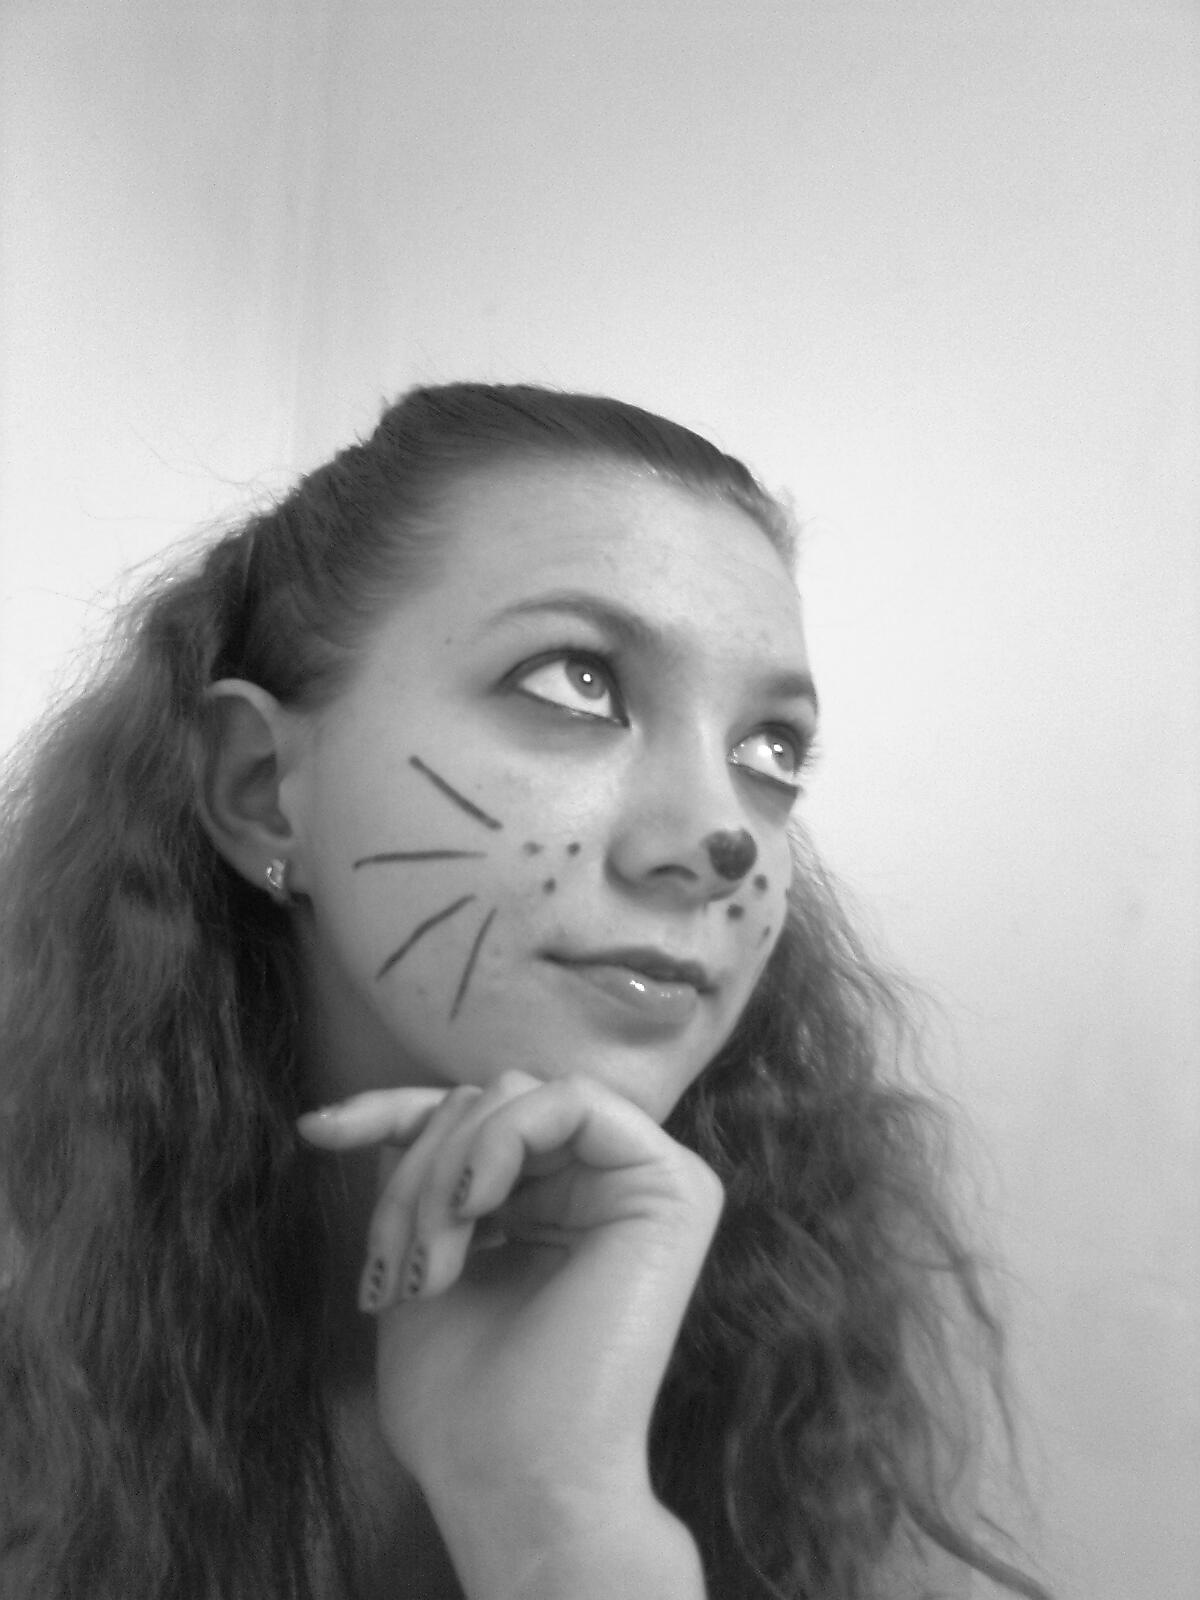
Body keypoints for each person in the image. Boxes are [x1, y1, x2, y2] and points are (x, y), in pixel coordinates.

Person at [0, 383, 1050, 1600]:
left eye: (770, 750)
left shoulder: (787, 1387)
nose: (721, 840)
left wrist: (557, 1518)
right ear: (261, 789)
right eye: (577, 682)